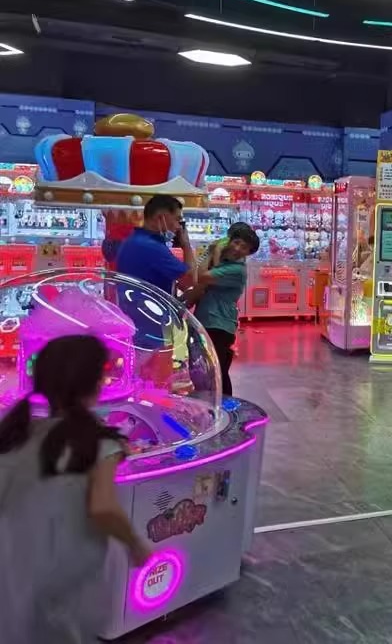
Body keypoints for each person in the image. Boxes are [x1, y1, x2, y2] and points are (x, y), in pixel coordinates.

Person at [0, 335, 150, 641]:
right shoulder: (99, 442)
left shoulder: (15, 433)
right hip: (66, 571)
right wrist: (136, 544)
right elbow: (103, 508)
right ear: (96, 384)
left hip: (13, 566)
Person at [186, 223, 260, 397]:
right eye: (236, 242)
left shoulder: (236, 270)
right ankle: (215, 405)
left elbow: (201, 277)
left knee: (217, 373)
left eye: (244, 247)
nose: (237, 248)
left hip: (219, 326)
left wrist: (212, 251)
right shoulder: (224, 263)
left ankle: (225, 406)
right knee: (209, 371)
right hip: (208, 322)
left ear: (248, 253)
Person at [116, 194, 196, 295]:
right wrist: (186, 244)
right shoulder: (152, 247)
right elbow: (189, 280)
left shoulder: (134, 240)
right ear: (160, 217)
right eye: (177, 219)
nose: (178, 227)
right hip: (147, 304)